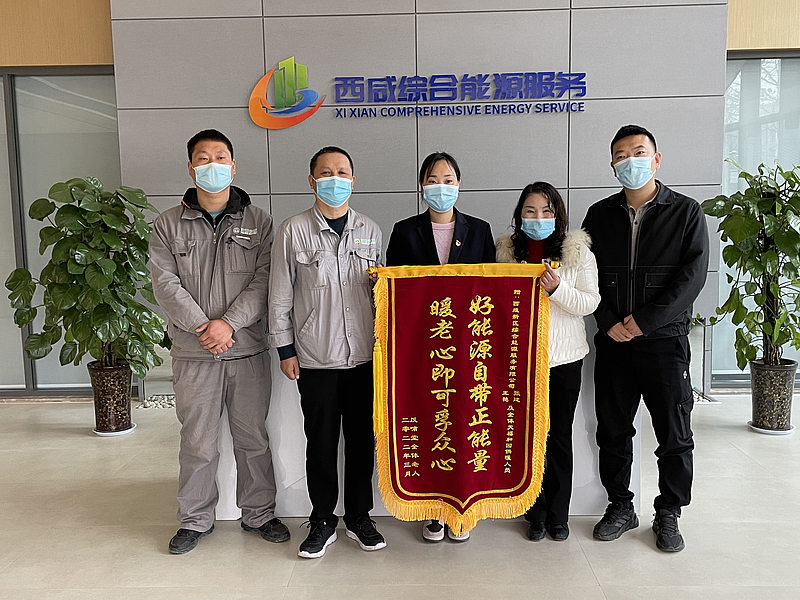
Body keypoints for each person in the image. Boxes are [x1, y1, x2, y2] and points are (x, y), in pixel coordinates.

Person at [150, 129, 288, 554]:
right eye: (203, 158)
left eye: (220, 157)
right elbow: (165, 284)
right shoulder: (167, 224)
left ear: (233, 166)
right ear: (191, 169)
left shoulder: (259, 222)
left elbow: (266, 280)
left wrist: (228, 324)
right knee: (197, 442)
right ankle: (194, 519)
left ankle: (259, 513)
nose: (213, 165)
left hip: (246, 349)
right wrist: (203, 327)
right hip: (193, 353)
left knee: (253, 439)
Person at [581, 124, 709, 553]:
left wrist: (645, 322)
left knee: (674, 433)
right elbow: (585, 274)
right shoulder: (599, 215)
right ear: (612, 165)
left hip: (664, 343)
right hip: (614, 342)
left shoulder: (686, 212)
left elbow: (691, 278)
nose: (629, 161)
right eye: (621, 155)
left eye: (638, 152)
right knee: (613, 430)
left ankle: (669, 511)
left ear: (656, 159)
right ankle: (620, 505)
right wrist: (607, 321)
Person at [268, 146, 385, 559]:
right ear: (312, 180)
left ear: (353, 180)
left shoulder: (371, 230)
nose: (334, 179)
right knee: (319, 442)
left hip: (365, 357)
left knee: (361, 441)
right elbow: (279, 295)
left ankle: (359, 516)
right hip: (315, 356)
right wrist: (285, 348)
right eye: (325, 172)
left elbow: (382, 296)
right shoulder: (292, 231)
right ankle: (321, 519)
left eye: (342, 172)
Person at [385, 151, 496, 542]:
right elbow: (394, 289)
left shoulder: (479, 230)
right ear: (422, 186)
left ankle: (460, 510)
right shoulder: (404, 231)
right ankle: (433, 510)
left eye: (448, 180)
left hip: (468, 348)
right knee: (431, 423)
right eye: (433, 180)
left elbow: (492, 288)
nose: (441, 187)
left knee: (464, 422)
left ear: (459, 184)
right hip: (422, 348)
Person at [496, 182, 600, 542]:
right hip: (519, 361)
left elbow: (590, 302)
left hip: (564, 360)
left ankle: (558, 515)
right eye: (530, 211)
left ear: (558, 215)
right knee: (526, 437)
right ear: (519, 215)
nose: (538, 218)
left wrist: (557, 290)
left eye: (546, 211)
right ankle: (534, 513)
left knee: (558, 437)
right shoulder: (506, 254)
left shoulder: (577, 253)